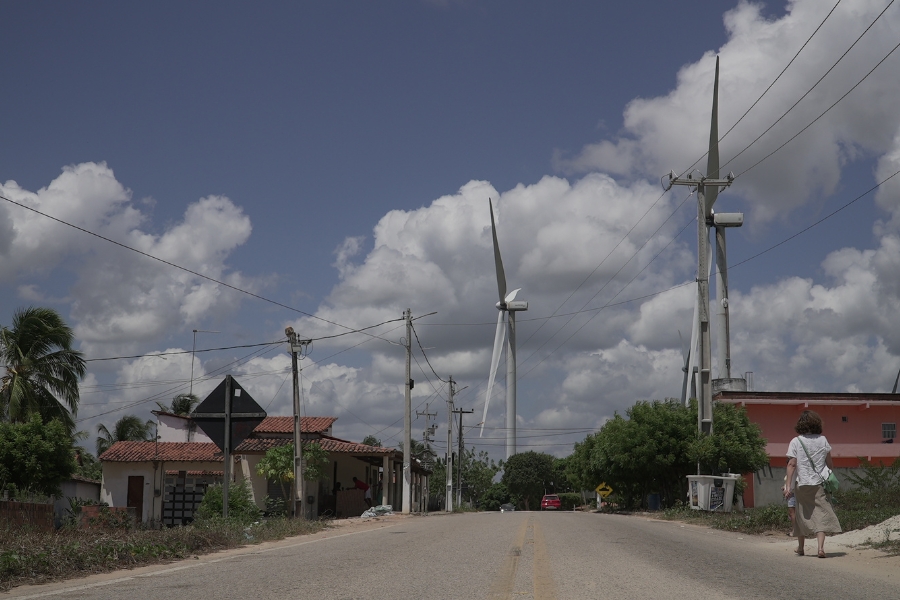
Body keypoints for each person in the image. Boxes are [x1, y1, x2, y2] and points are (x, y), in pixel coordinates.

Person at [784, 409, 841, 558]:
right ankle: (820, 548)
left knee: (802, 514)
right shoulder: (823, 440)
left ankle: (801, 548)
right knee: (820, 513)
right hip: (819, 483)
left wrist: (788, 486)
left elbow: (792, 464)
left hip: (802, 483)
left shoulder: (796, 441)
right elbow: (830, 464)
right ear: (817, 423)